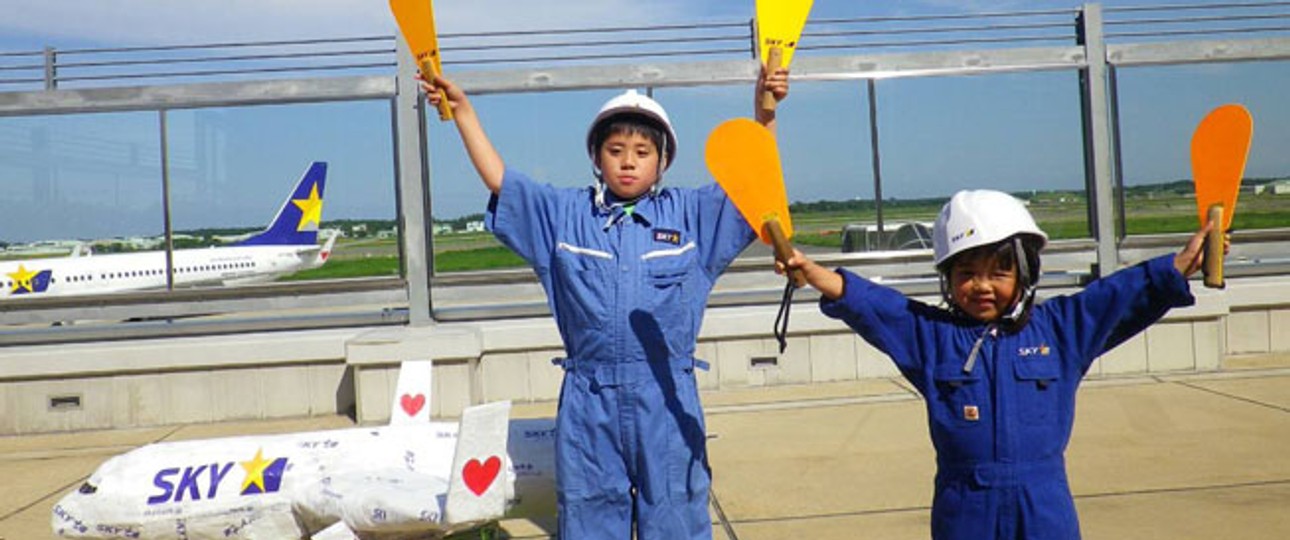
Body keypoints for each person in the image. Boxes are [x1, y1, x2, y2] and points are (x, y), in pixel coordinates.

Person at [419, 68, 789, 539]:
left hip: (668, 401)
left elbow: (755, 181)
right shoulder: (564, 217)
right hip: (588, 403)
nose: (628, 163)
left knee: (675, 514)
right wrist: (464, 113)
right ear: (596, 157)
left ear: (663, 160)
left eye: (642, 152)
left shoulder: (692, 216)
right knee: (589, 517)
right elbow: (502, 183)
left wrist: (765, 114)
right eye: (615, 151)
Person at [776, 189, 1226, 540]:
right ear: (948, 280)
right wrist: (812, 271)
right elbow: (876, 307)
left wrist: (1181, 264)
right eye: (966, 273)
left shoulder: (1060, 330)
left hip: (1044, 506)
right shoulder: (932, 338)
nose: (981, 286)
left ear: (1026, 274)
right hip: (965, 508)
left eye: (999, 272)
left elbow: (1119, 296)